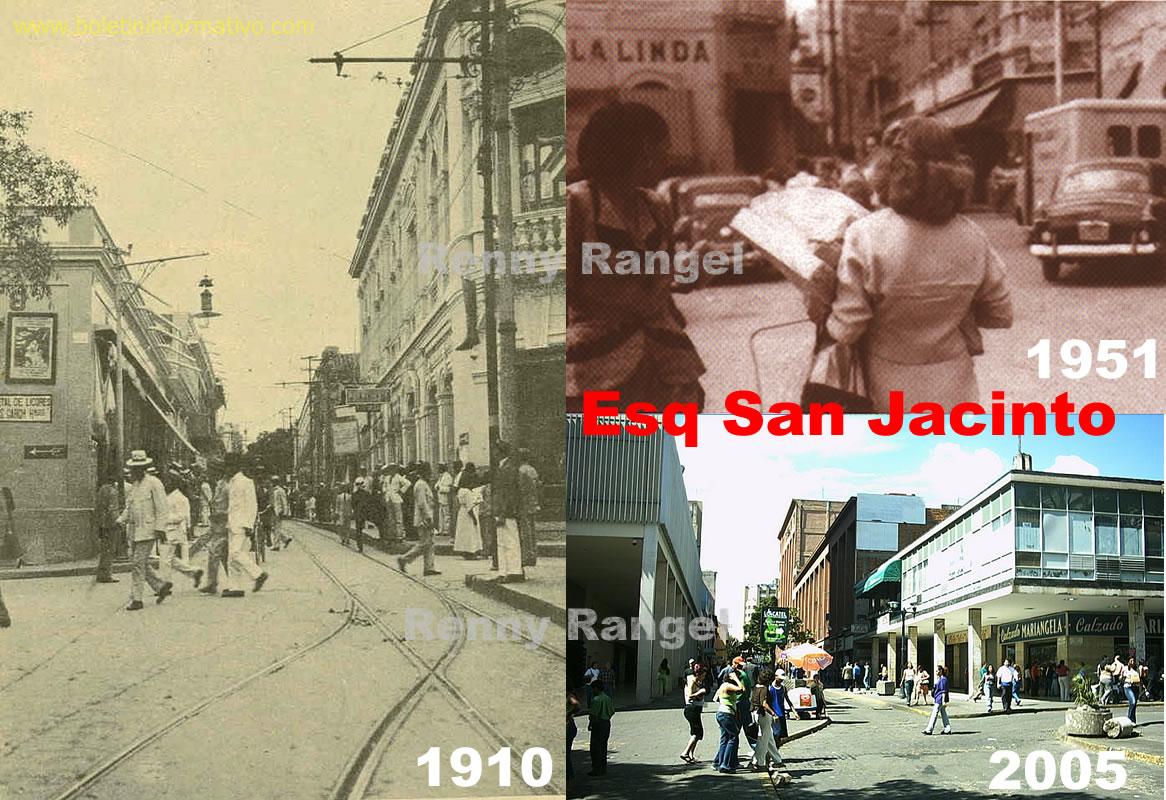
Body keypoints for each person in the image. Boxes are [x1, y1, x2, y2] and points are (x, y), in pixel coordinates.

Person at [806, 116, 1013, 411]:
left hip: (891, 392)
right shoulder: (974, 237)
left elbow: (846, 329)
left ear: (892, 171)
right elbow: (1000, 314)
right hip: (956, 390)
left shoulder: (866, 235)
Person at [566, 101, 705, 412]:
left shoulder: (656, 206)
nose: (668, 159)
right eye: (664, 149)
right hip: (597, 372)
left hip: (664, 364)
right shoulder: (577, 205)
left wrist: (689, 275)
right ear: (644, 150)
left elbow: (656, 285)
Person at [117, 451, 173, 611]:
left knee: (137, 563)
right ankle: (161, 586)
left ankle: (137, 599)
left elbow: (162, 507)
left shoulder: (154, 483)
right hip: (134, 531)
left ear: (144, 468)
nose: (135, 471)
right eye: (133, 468)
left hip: (148, 530)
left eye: (138, 468)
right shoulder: (135, 486)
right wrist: (120, 520)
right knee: (140, 562)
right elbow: (129, 508)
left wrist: (161, 529)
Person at [223, 454, 268, 598]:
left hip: (241, 523)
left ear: (235, 466)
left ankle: (258, 574)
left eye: (229, 465)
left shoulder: (246, 482)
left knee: (236, 553)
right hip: (232, 523)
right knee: (232, 557)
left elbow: (252, 504)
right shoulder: (231, 482)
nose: (227, 468)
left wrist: (249, 524)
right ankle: (234, 587)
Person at [159, 472, 203, 589]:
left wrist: (163, 520)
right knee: (170, 558)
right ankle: (194, 572)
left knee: (165, 559)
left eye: (169, 481)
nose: (166, 484)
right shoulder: (170, 496)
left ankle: (164, 584)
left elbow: (181, 516)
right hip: (169, 530)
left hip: (173, 530)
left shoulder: (179, 498)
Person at [397, 462, 439, 576]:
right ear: (423, 473)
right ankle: (404, 559)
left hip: (425, 517)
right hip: (423, 519)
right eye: (428, 472)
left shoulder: (423, 483)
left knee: (430, 543)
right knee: (425, 543)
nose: (430, 474)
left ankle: (429, 568)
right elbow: (422, 503)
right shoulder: (421, 485)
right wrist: (428, 518)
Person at [492, 442, 525, 582]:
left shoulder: (508, 469)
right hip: (502, 511)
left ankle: (514, 571)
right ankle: (504, 571)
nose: (494, 453)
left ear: (500, 452)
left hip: (508, 512)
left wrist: (502, 513)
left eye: (495, 450)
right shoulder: (503, 467)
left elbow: (510, 493)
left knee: (510, 541)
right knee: (502, 542)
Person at [748, 668, 783, 773]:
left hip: (755, 713)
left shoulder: (756, 687)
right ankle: (758, 762)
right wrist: (773, 713)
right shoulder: (764, 688)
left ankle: (777, 759)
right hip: (764, 715)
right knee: (763, 740)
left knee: (769, 737)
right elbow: (764, 703)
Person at [711, 666, 744, 773]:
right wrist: (736, 679)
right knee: (733, 737)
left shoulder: (723, 686)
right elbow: (742, 689)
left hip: (722, 714)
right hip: (726, 714)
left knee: (724, 738)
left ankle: (719, 762)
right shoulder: (727, 685)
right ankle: (725, 765)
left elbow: (715, 698)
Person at [94, 474, 120, 583]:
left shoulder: (101, 490)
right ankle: (106, 574)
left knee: (104, 549)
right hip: (110, 524)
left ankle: (102, 573)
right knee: (110, 549)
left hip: (102, 523)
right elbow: (112, 509)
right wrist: (117, 522)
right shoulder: (113, 492)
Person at [517, 449, 541, 568]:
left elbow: (520, 488)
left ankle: (527, 556)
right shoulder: (532, 469)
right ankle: (533, 555)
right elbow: (538, 486)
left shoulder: (521, 471)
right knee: (532, 529)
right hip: (533, 502)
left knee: (525, 531)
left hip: (523, 503)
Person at [453, 465, 482, 558]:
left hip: (462, 512)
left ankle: (464, 551)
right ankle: (471, 551)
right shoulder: (467, 492)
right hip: (468, 514)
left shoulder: (460, 491)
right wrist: (474, 518)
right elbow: (470, 507)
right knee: (470, 534)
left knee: (463, 533)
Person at [680, 662, 706, 764]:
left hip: (696, 709)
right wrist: (700, 692)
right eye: (703, 675)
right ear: (698, 674)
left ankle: (691, 755)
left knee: (697, 733)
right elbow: (690, 696)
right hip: (692, 709)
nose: (704, 677)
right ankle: (685, 752)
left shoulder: (697, 682)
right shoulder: (691, 682)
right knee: (696, 733)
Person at [588, 679, 615, 776]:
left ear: (596, 688)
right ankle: (603, 768)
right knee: (603, 746)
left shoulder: (596, 700)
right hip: (606, 723)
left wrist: (590, 724)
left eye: (593, 689)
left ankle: (596, 768)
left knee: (595, 747)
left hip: (597, 724)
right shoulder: (608, 698)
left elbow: (593, 715)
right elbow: (612, 711)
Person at [922, 665, 952, 735]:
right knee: (943, 714)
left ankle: (929, 729)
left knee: (934, 714)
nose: (936, 672)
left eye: (937, 671)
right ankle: (947, 729)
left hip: (940, 698)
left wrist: (944, 701)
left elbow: (943, 691)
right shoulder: (940, 679)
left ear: (940, 671)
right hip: (938, 698)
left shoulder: (943, 679)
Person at [271, 479, 291, 549]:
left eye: (274, 482)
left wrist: (285, 512)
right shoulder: (272, 490)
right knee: (273, 528)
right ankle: (285, 539)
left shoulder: (280, 490)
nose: (272, 483)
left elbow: (284, 501)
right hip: (272, 511)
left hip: (279, 511)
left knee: (277, 528)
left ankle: (276, 545)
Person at [566, 689, 582, 779]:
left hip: (568, 727)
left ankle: (569, 776)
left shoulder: (569, 696)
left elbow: (577, 705)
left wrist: (568, 714)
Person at [435, 464, 453, 538]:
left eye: (439, 468)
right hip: (441, 498)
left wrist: (440, 488)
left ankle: (446, 530)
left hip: (446, 498)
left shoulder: (448, 477)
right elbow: (436, 485)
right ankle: (441, 529)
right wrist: (438, 487)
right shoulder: (441, 476)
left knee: (446, 514)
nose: (438, 469)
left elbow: (448, 489)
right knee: (441, 514)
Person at [1122, 657, 1140, 723]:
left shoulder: (1136, 669)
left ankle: (1133, 720)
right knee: (1133, 701)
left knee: (1134, 704)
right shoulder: (1125, 668)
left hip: (1136, 687)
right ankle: (1129, 719)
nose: (1132, 662)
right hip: (1128, 686)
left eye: (1133, 660)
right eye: (1131, 660)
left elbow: (1139, 677)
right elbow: (1122, 676)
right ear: (1128, 662)